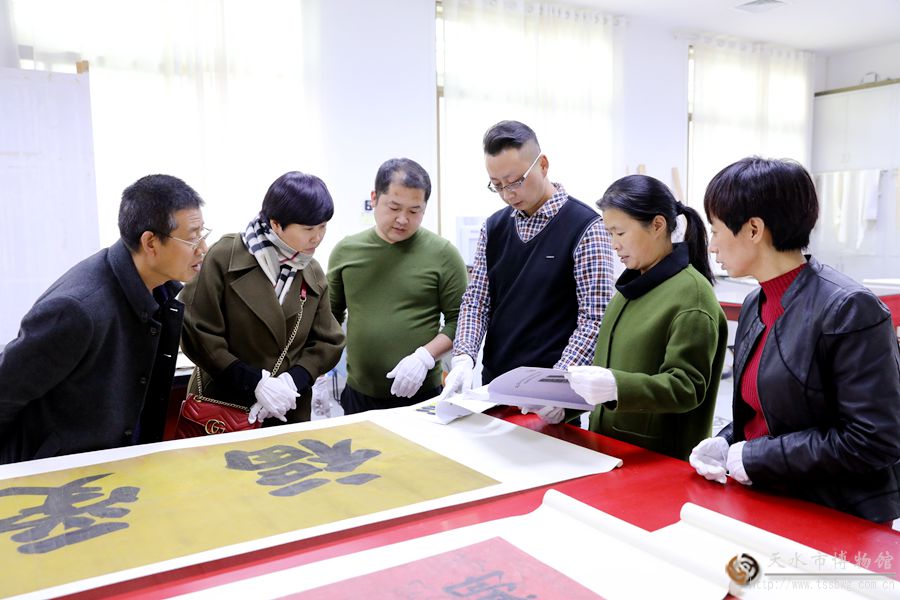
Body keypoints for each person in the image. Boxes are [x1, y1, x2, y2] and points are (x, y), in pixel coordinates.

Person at [689, 157, 900, 523]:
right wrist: (727, 440)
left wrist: (755, 457)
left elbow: (874, 440)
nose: (712, 246)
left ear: (754, 229)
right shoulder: (758, 301)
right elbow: (769, 411)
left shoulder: (849, 309)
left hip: (833, 513)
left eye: (717, 229)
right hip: (767, 496)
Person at [0, 174, 207, 463]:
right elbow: (6, 391)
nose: (203, 248)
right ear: (150, 242)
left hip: (119, 468)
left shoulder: (160, 290)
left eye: (202, 234)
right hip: (60, 478)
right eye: (192, 237)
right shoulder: (77, 309)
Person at [439, 120, 615, 410]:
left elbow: (594, 320)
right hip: (494, 384)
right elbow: (477, 302)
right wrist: (463, 358)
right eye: (497, 186)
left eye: (516, 181)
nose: (509, 194)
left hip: (552, 394)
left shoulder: (586, 227)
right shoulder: (493, 227)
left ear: (543, 164)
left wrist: (558, 384)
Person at [566, 175, 728, 460]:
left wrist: (618, 386)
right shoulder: (629, 290)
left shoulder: (692, 297)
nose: (614, 245)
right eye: (610, 233)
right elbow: (606, 374)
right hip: (609, 452)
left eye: (620, 233)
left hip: (656, 462)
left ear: (657, 225)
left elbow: (686, 387)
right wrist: (566, 403)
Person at [181, 171, 344, 425]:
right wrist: (254, 382)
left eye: (323, 226)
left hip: (287, 408)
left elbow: (328, 341)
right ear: (276, 224)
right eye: (309, 228)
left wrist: (294, 380)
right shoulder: (225, 256)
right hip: (223, 407)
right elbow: (196, 329)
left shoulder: (311, 270)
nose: (318, 237)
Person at [328, 158, 467, 413]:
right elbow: (329, 318)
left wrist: (424, 357)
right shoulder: (346, 252)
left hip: (422, 394)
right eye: (394, 207)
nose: (403, 219)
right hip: (359, 395)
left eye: (415, 211)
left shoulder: (443, 254)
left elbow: (461, 321)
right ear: (374, 198)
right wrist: (318, 371)